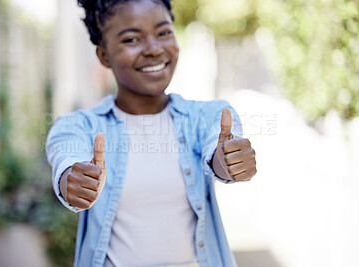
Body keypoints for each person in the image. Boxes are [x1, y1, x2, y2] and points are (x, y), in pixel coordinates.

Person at [45, 0, 257, 266]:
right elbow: (67, 159)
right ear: (104, 55)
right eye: (132, 39)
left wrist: (229, 161)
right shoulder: (77, 127)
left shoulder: (208, 116)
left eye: (163, 32)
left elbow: (218, 151)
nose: (154, 49)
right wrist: (71, 182)